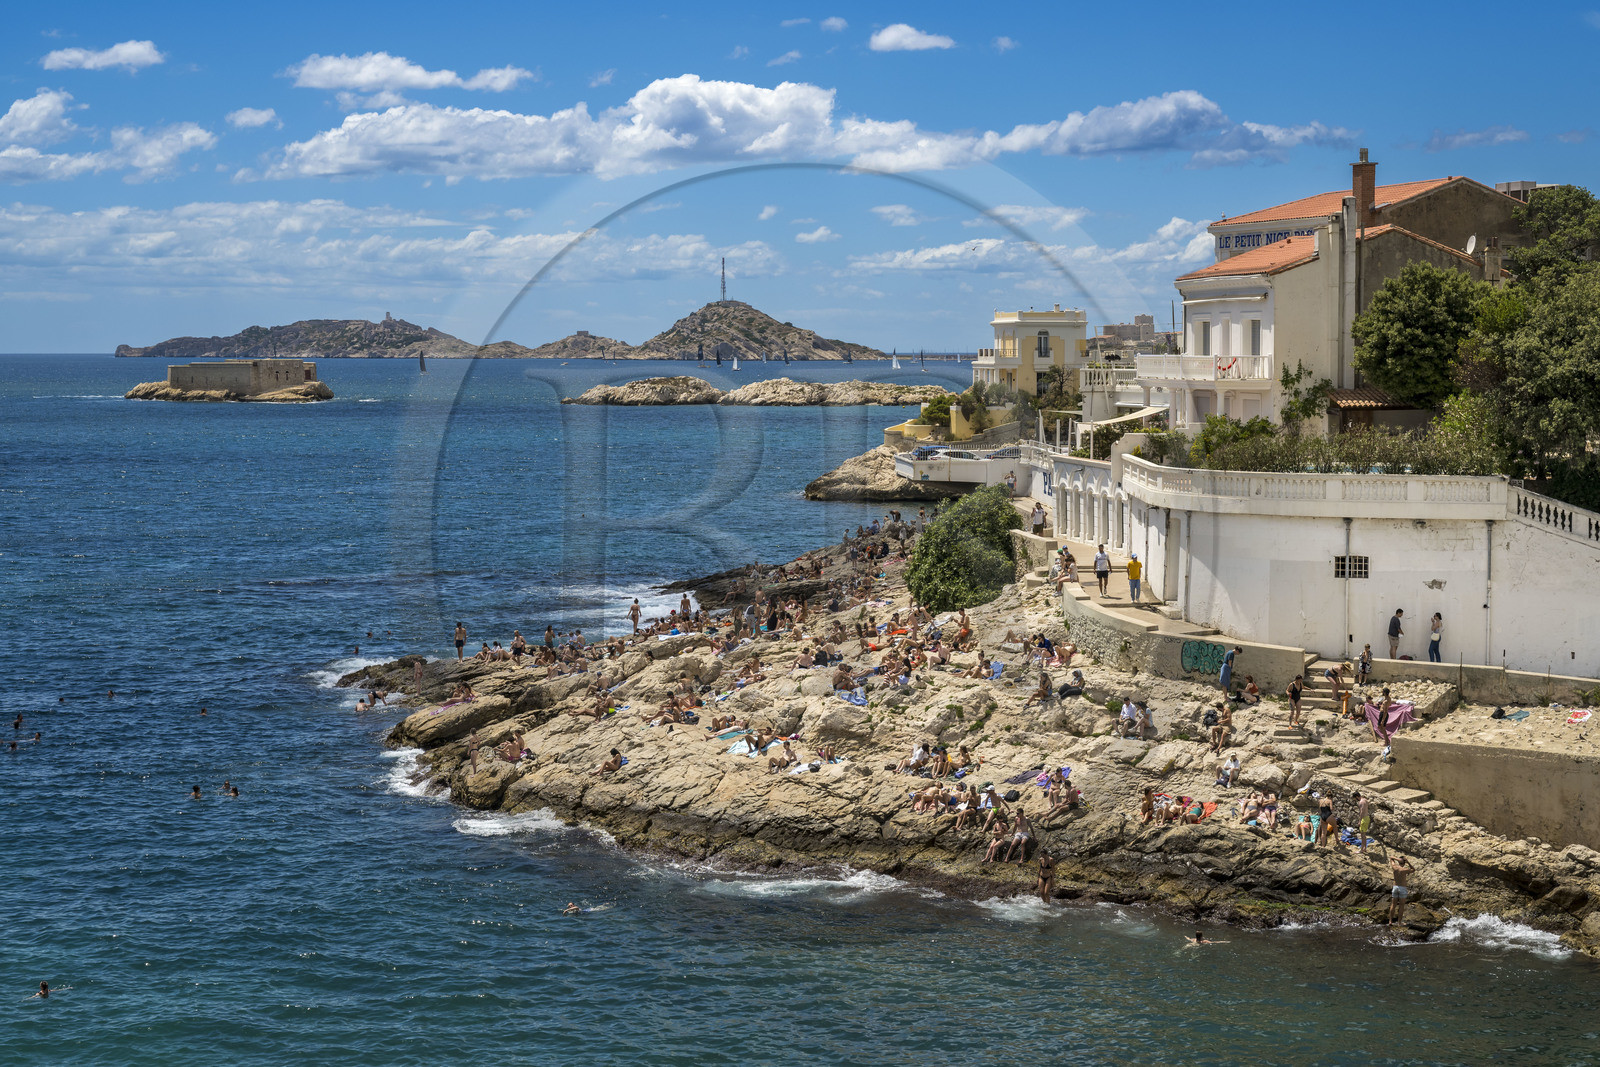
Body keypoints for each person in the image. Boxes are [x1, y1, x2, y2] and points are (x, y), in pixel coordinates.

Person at [1388, 855, 1415, 925]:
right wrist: (1408, 861)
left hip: (1395, 887)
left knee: (1393, 905)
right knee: (1401, 906)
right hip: (1402, 888)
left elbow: (1391, 857)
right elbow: (1413, 869)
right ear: (1404, 863)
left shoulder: (1394, 867)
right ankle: (1399, 922)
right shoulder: (1404, 870)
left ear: (1399, 862)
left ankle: (1390, 921)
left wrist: (1398, 859)